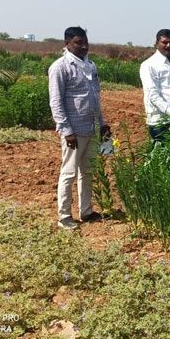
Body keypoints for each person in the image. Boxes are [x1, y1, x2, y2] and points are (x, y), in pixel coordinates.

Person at [48, 26, 110, 230]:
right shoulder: (60, 67)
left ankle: (86, 211)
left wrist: (102, 124)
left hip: (91, 128)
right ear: (67, 44)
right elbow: (56, 102)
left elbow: (95, 98)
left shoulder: (90, 65)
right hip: (74, 132)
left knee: (88, 172)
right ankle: (64, 216)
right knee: (69, 173)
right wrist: (67, 131)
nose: (83, 47)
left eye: (85, 42)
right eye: (78, 43)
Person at [140, 29, 170, 141]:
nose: (168, 45)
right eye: (165, 42)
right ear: (157, 43)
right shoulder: (149, 65)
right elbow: (153, 96)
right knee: (162, 150)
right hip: (161, 122)